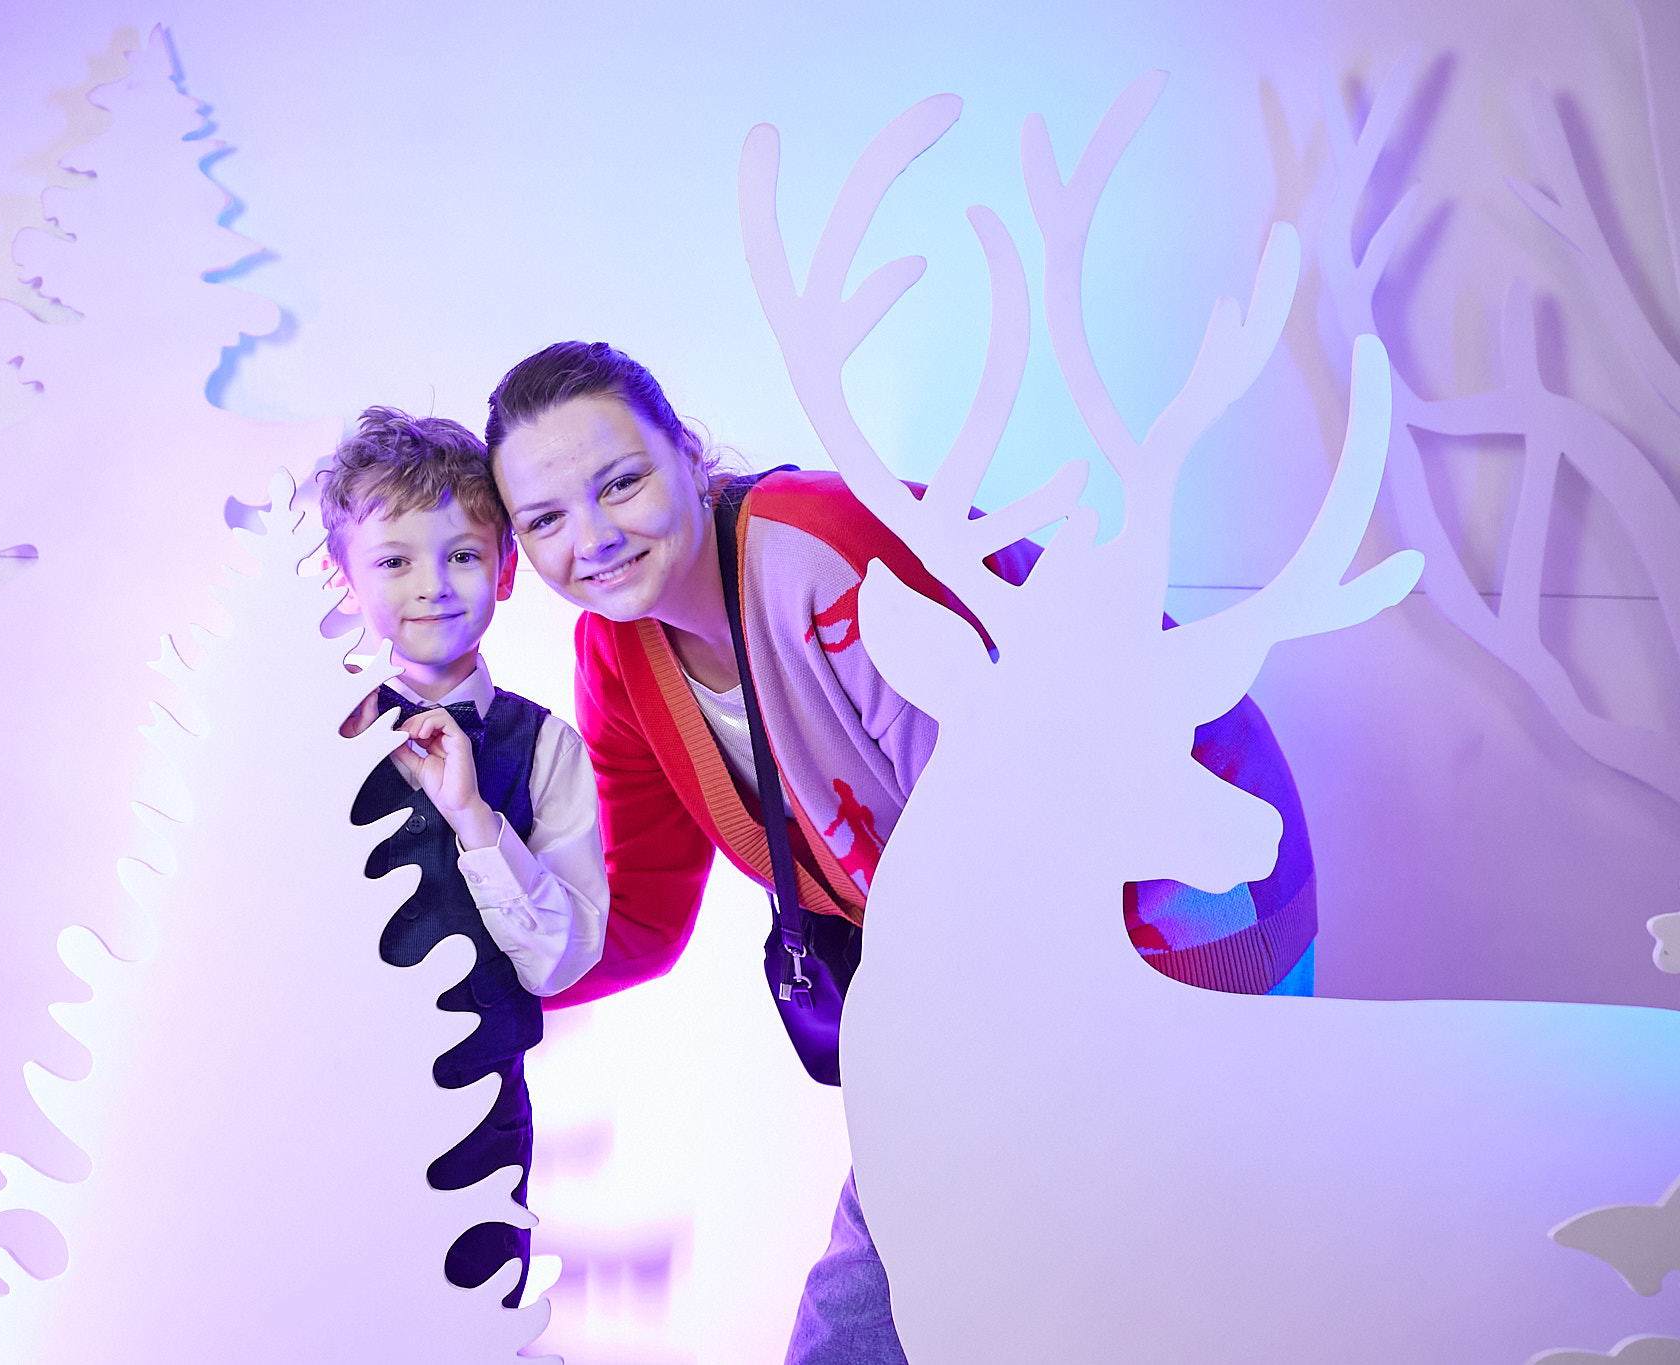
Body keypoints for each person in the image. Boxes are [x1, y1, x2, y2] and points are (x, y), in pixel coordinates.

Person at [483, 342, 1317, 1361]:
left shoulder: (828, 553)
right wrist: (474, 969)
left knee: (1157, 1259)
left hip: (1175, 888)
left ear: (688, 456)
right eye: (544, 520)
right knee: (965, 1264)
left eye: (620, 482)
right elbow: (639, 917)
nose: (594, 538)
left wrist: (944, 1077)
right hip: (983, 964)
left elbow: (1013, 855)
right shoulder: (618, 655)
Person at [314, 405, 609, 1306]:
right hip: (323, 1097)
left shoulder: (546, 747)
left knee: (473, 1317)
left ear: (507, 569)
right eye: (394, 561)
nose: (432, 586)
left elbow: (560, 960)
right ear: (342, 578)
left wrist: (476, 817)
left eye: (463, 556)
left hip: (479, 1107)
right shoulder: (313, 735)